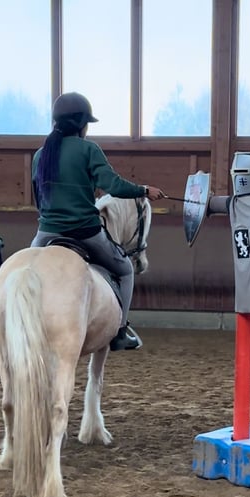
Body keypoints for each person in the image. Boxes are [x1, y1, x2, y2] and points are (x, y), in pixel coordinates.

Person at [31, 91, 165, 351]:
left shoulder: (41, 154)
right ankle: (120, 331)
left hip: (46, 233)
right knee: (125, 270)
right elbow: (113, 185)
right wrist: (144, 190)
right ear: (81, 124)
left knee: (23, 272)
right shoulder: (88, 149)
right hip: (85, 232)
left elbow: (38, 197)